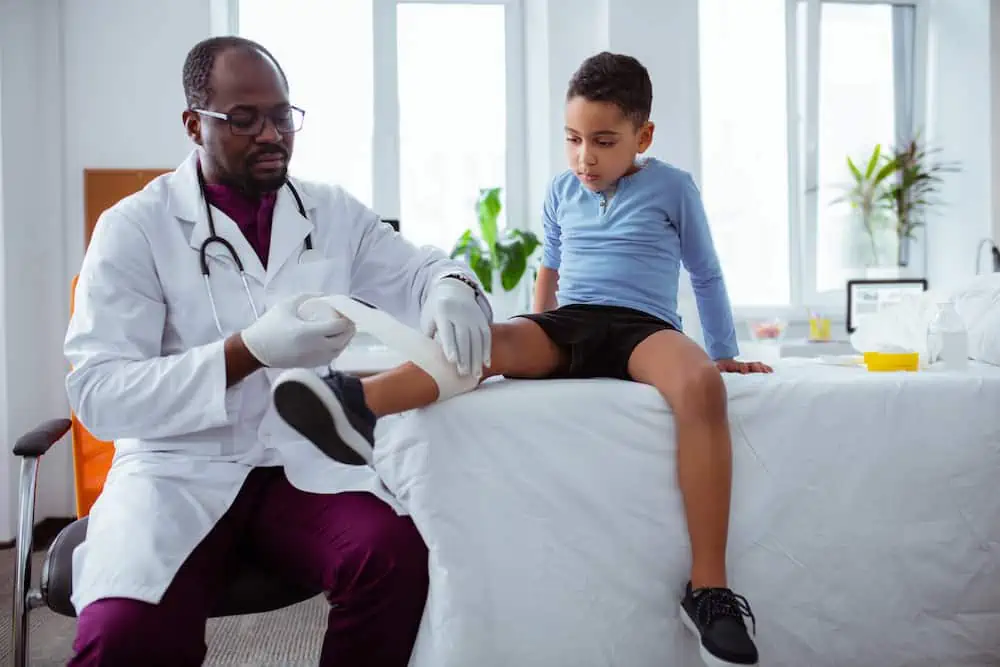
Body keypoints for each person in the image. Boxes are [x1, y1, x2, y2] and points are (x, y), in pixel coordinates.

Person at [272, 52, 770, 667]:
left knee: (698, 388)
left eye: (604, 142)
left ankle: (711, 589)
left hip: (643, 327)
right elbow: (551, 271)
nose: (585, 157)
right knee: (482, 344)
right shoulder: (563, 190)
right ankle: (357, 404)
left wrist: (722, 353)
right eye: (573, 139)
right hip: (570, 320)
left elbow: (706, 272)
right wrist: (534, 334)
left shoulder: (672, 188)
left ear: (642, 137)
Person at [62, 35, 492, 667]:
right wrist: (247, 352)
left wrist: (451, 287)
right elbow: (99, 394)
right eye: (245, 119)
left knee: (397, 556)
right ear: (194, 124)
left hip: (299, 463)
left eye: (282, 115)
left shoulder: (329, 211)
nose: (272, 134)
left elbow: (418, 272)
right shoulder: (134, 228)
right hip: (177, 471)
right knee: (124, 635)